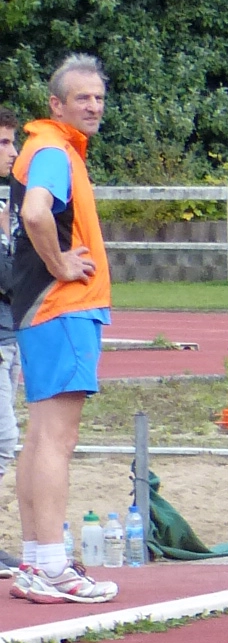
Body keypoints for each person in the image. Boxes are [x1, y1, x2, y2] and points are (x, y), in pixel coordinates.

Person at [9, 55, 116, 605]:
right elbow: (34, 213)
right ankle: (52, 564)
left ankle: (34, 559)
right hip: (62, 306)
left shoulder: (51, 148)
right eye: (82, 98)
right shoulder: (52, 149)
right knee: (57, 439)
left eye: (98, 97)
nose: (93, 106)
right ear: (56, 104)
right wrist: (60, 265)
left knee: (40, 438)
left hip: (41, 310)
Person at [0, 107, 20, 576]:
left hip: (10, 335)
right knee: (4, 442)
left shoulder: (9, 201)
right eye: (3, 143)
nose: (13, 151)